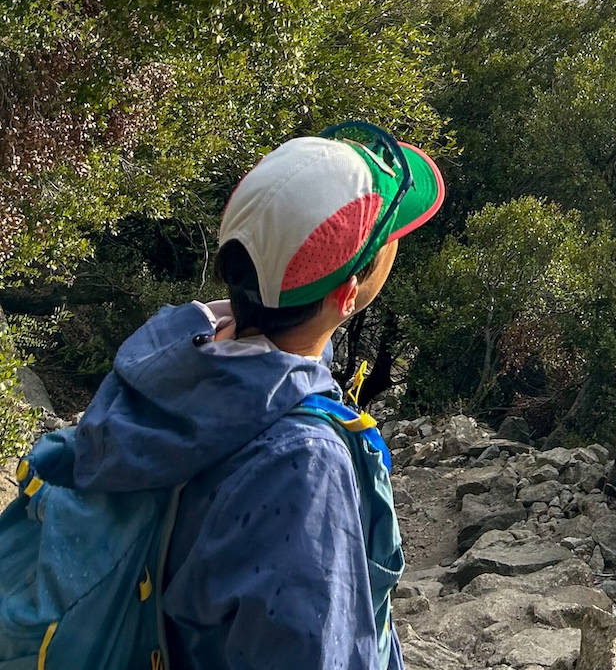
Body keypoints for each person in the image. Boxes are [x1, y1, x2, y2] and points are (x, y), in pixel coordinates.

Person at [70, 122, 444, 669]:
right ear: (346, 295)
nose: (395, 245)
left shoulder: (164, 357)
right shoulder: (303, 464)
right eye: (388, 237)